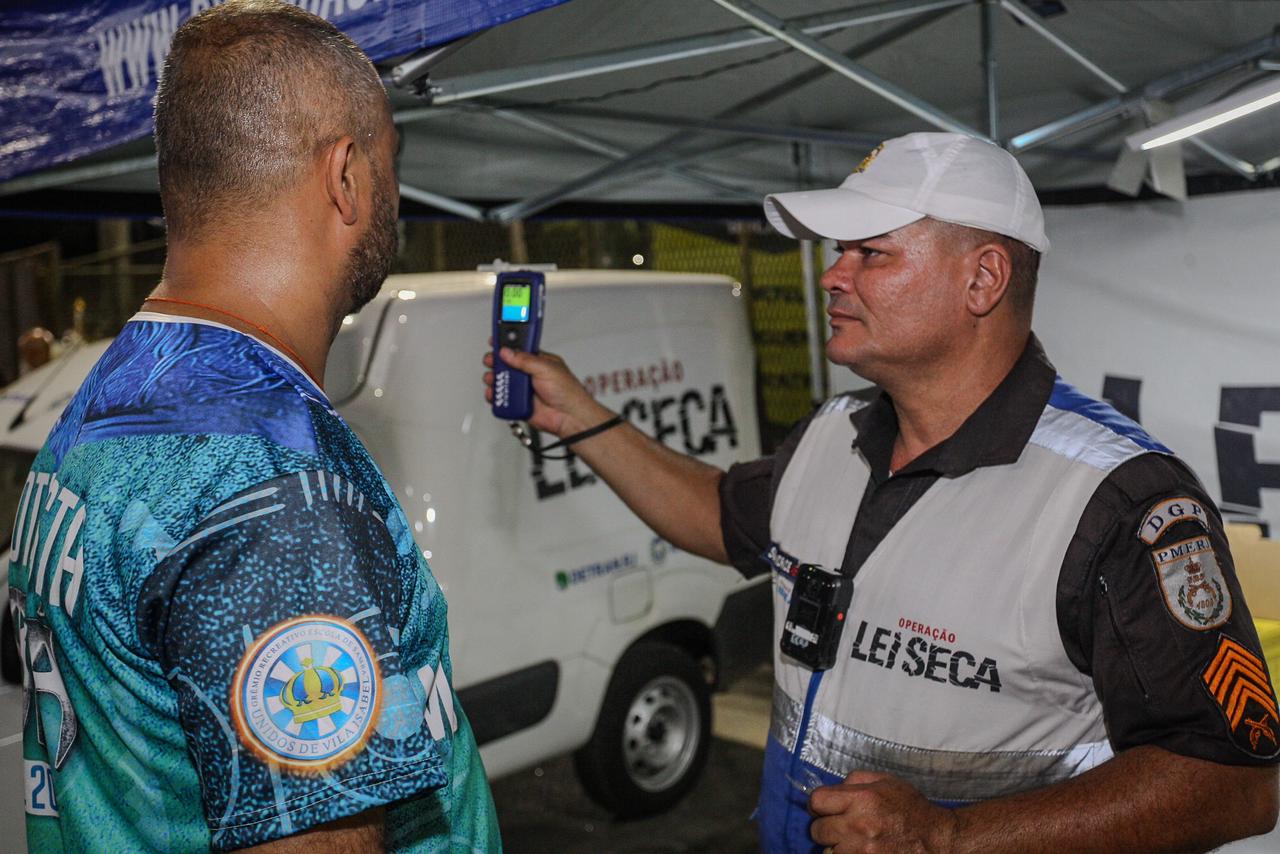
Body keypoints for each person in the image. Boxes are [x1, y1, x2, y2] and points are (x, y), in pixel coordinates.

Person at [483, 132, 1280, 853]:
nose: (833, 275)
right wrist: (578, 418)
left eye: (871, 253)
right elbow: (719, 517)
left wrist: (950, 837)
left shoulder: (1118, 501)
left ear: (983, 279)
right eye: (840, 252)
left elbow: (1236, 784)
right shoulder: (836, 432)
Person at [8, 2, 499, 851]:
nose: (394, 192)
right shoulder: (270, 489)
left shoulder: (114, 393)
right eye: (390, 161)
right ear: (344, 176)